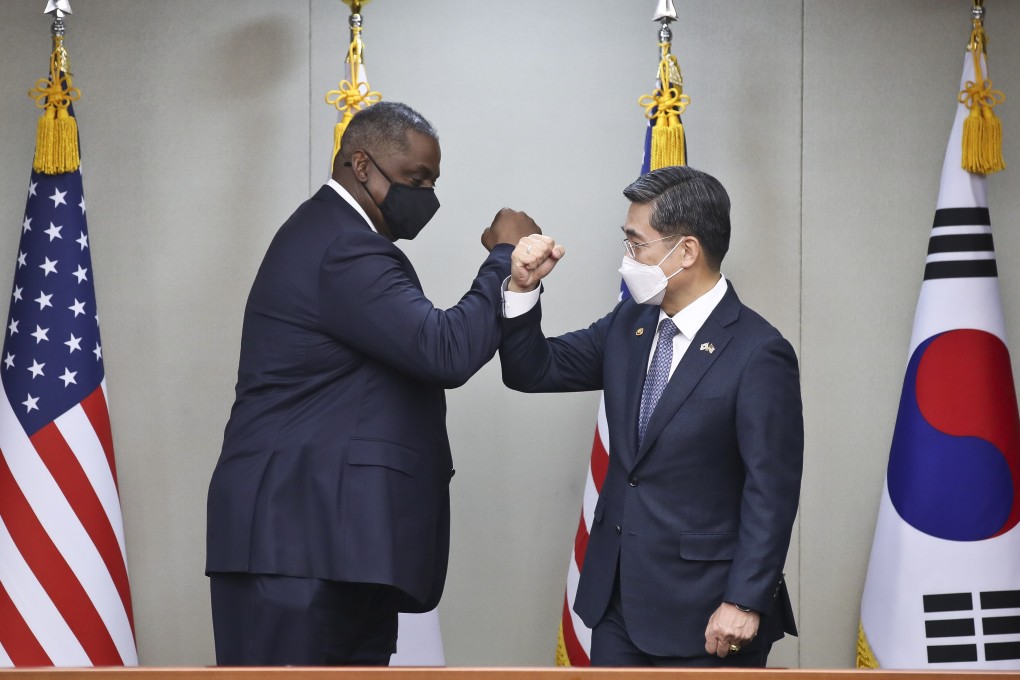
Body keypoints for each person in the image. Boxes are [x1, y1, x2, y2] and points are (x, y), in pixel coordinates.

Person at [205, 101, 549, 666]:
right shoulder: (344, 245)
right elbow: (445, 350)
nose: (428, 197)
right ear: (360, 164)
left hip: (337, 548)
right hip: (298, 546)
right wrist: (505, 258)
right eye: (416, 179)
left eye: (434, 181)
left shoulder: (339, 237)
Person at [498, 165, 803, 667]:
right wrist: (523, 287)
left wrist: (745, 599)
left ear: (686, 251)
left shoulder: (759, 352)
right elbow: (533, 369)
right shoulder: (629, 324)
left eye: (636, 244)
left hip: (709, 615)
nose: (626, 260)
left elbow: (771, 489)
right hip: (617, 601)